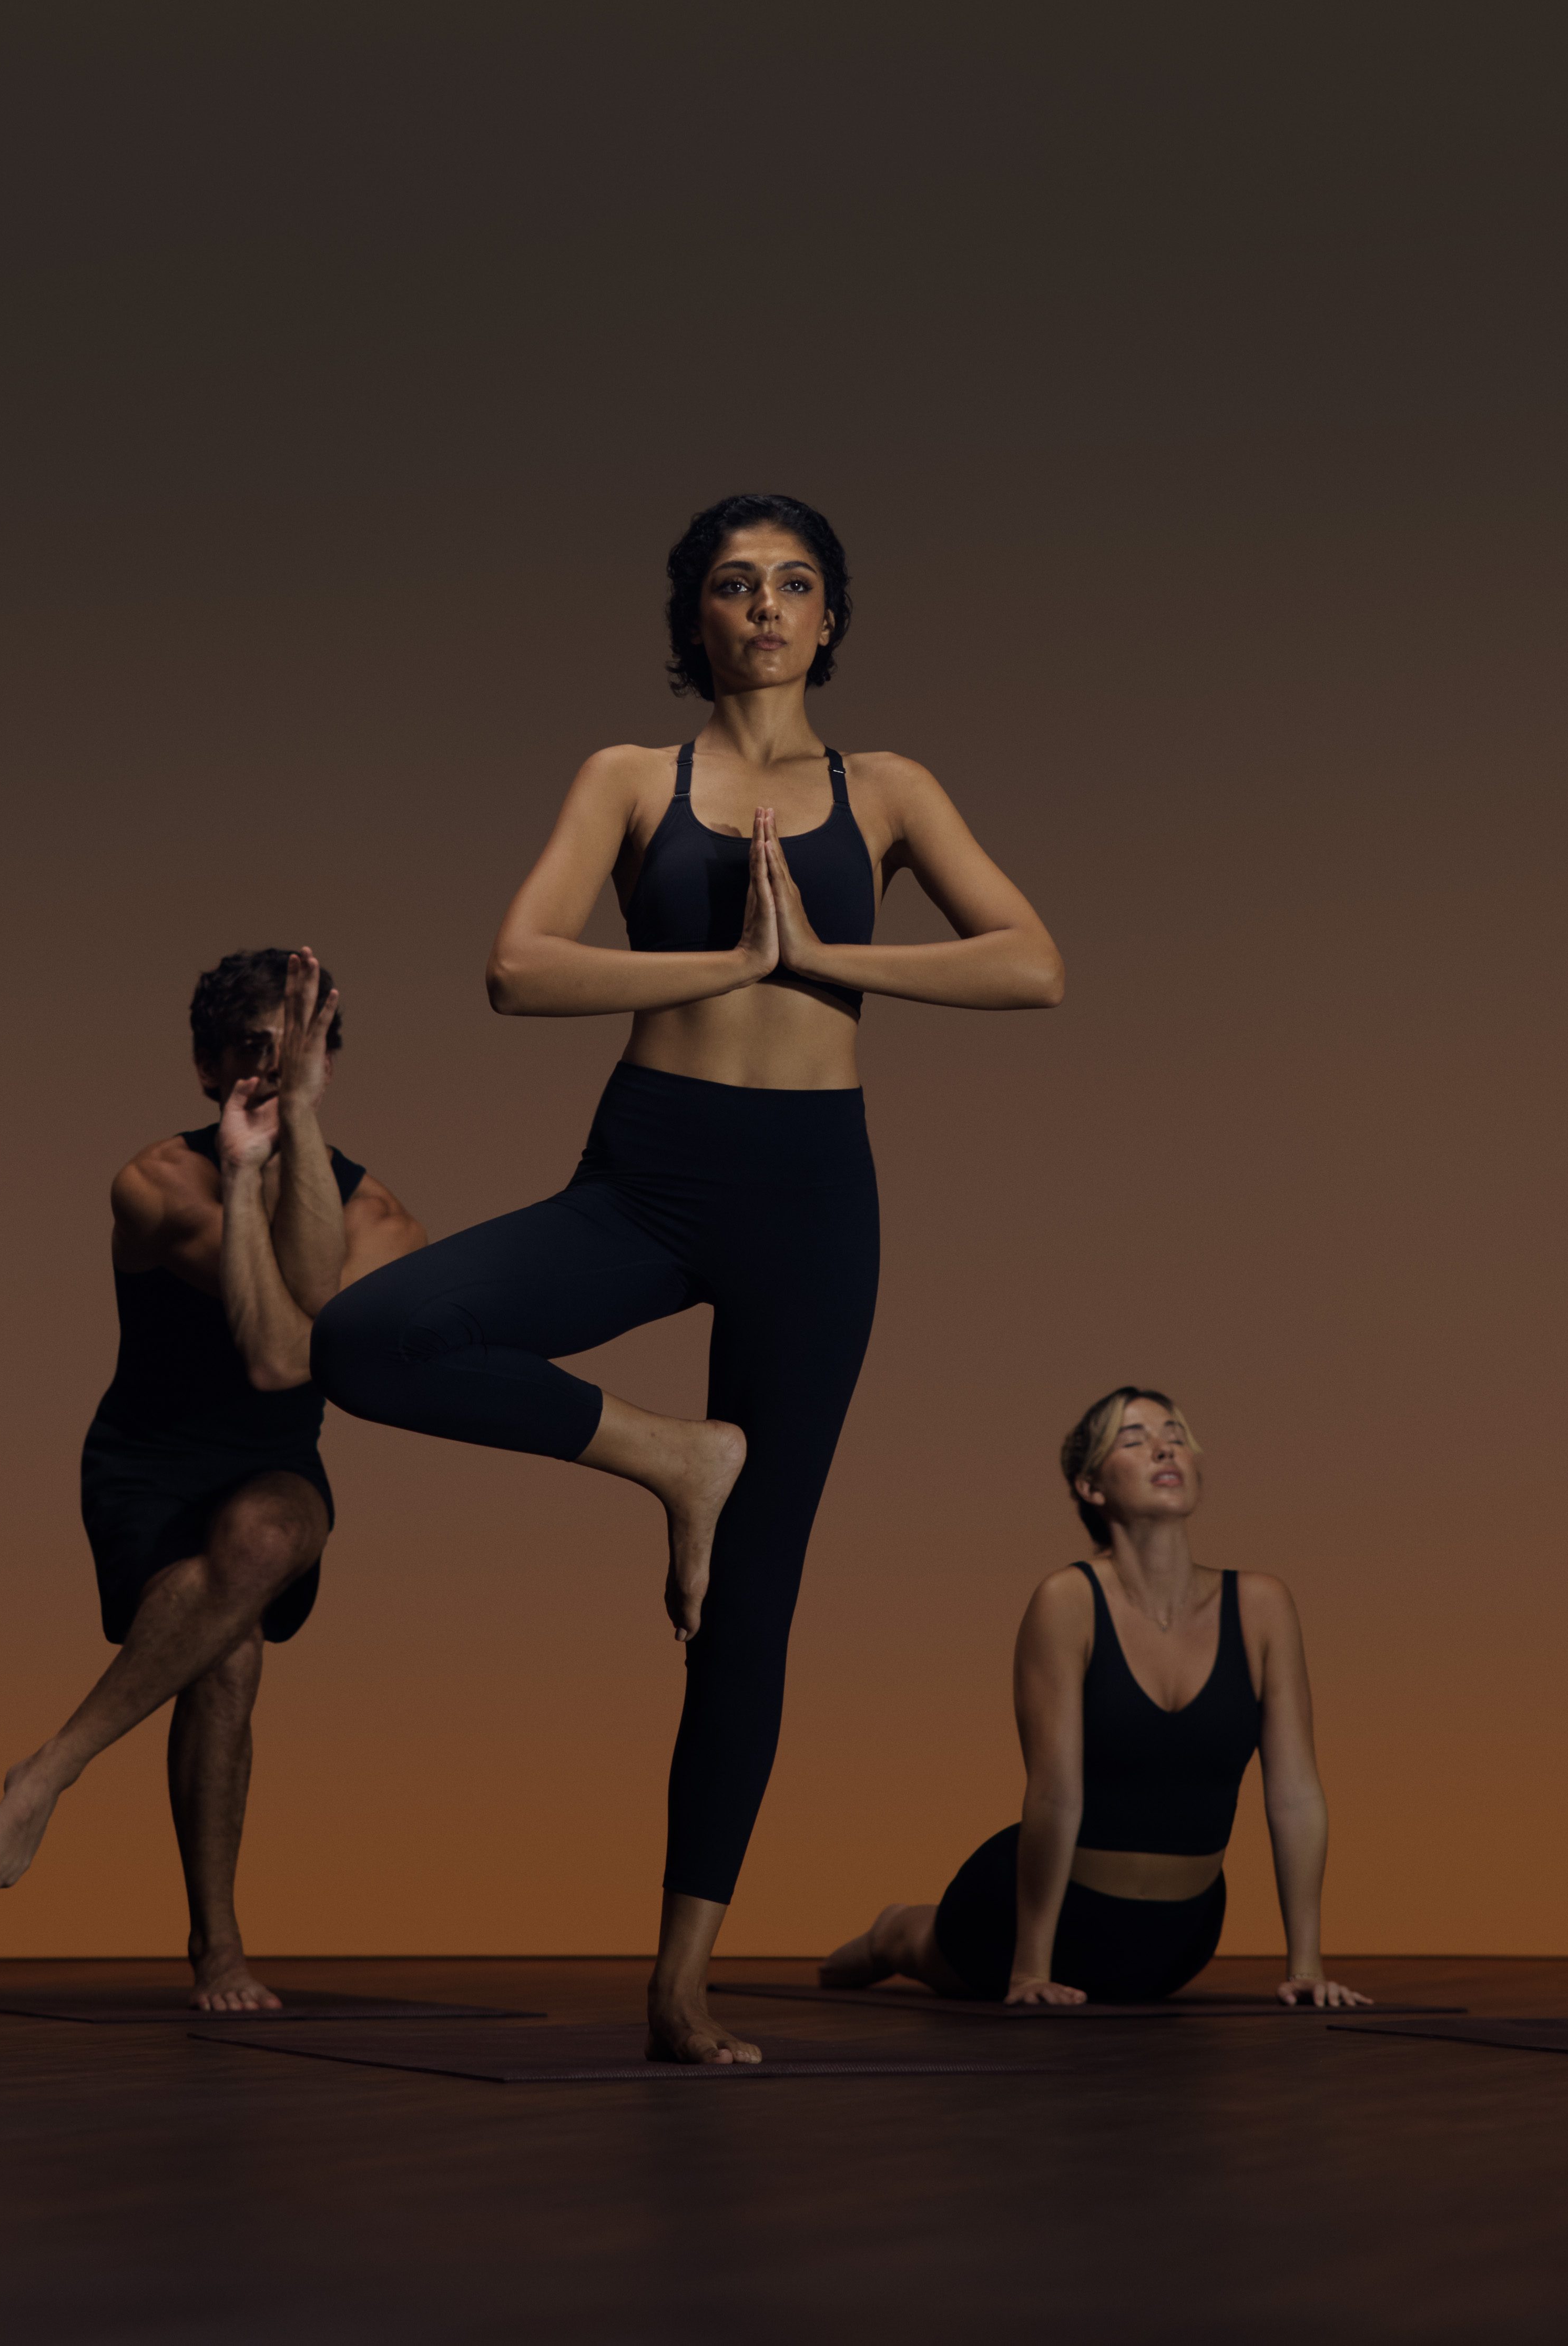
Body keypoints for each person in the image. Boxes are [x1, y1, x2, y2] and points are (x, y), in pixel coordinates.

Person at [311, 495, 1063, 2064]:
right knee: (373, 1337)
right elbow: (521, 965)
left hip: (812, 1194)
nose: (766, 605)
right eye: (734, 584)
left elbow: (1028, 961)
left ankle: (679, 1981)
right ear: (694, 623)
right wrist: (723, 966)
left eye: (794, 583)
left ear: (831, 618)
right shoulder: (628, 778)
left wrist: (823, 965)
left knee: (750, 1604)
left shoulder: (890, 789)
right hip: (647, 1173)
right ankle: (666, 1454)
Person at [0, 950, 426, 2007]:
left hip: (272, 1464)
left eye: (295, 1050)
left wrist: (284, 1143)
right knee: (229, 1654)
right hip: (147, 1462)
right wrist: (251, 1169)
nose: (272, 1068)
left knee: (261, 1551)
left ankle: (49, 1769)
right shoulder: (155, 1180)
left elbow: (291, 1362)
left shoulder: (384, 1218)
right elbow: (272, 1329)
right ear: (208, 1065)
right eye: (252, 1049)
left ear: (325, 1067)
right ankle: (216, 1950)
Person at [820, 1388, 1369, 2009]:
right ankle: (891, 1928)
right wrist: (1029, 1969)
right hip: (1032, 1913)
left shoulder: (1263, 1605)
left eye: (1176, 1434)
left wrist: (1306, 1965)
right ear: (1090, 1487)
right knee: (914, 1946)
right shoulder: (1068, 1600)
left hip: (1177, 1936)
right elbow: (1054, 1791)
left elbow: (1295, 1793)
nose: (1165, 1445)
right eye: (1133, 1440)